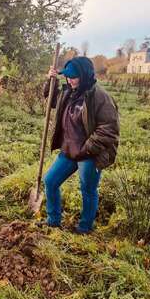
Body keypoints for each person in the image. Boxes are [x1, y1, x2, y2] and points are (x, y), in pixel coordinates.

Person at [41, 56, 120, 234]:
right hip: (69, 150)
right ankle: (53, 221)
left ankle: (85, 227)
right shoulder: (68, 91)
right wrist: (50, 80)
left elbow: (109, 130)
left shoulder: (100, 97)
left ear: (84, 75)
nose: (69, 79)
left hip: (89, 153)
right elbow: (50, 99)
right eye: (67, 76)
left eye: (73, 76)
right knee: (50, 181)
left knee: (88, 189)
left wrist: (86, 150)